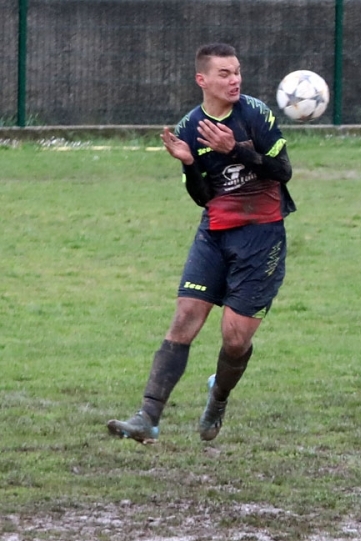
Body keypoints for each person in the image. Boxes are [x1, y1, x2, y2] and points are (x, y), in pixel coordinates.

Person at [107, 43, 294, 444]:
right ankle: (147, 417)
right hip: (214, 233)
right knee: (184, 318)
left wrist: (237, 150)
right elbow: (202, 196)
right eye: (225, 73)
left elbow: (283, 171)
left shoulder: (255, 114)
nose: (235, 79)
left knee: (235, 338)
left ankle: (218, 396)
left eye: (237, 71)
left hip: (262, 235)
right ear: (202, 80)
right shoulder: (189, 127)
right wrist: (189, 164)